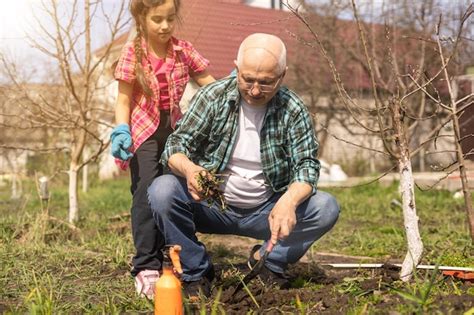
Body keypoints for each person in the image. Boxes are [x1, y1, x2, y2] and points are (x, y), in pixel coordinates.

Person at [147, 33, 339, 298]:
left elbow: (307, 165)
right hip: (211, 205)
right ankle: (196, 272)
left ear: (282, 75)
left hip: (266, 213)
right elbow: (175, 145)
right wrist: (191, 170)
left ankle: (268, 263)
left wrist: (289, 201)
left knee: (325, 207)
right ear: (237, 68)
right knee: (162, 190)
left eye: (266, 82)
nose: (255, 90)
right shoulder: (212, 97)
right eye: (247, 79)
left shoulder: (292, 108)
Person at [110, 0, 215, 299]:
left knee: (172, 192)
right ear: (142, 18)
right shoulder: (133, 52)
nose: (165, 26)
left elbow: (210, 85)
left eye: (170, 18)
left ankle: (176, 254)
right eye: (158, 19)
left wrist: (232, 90)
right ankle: (146, 265)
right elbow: (123, 100)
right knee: (145, 193)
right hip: (144, 131)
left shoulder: (183, 50)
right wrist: (121, 129)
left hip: (174, 131)